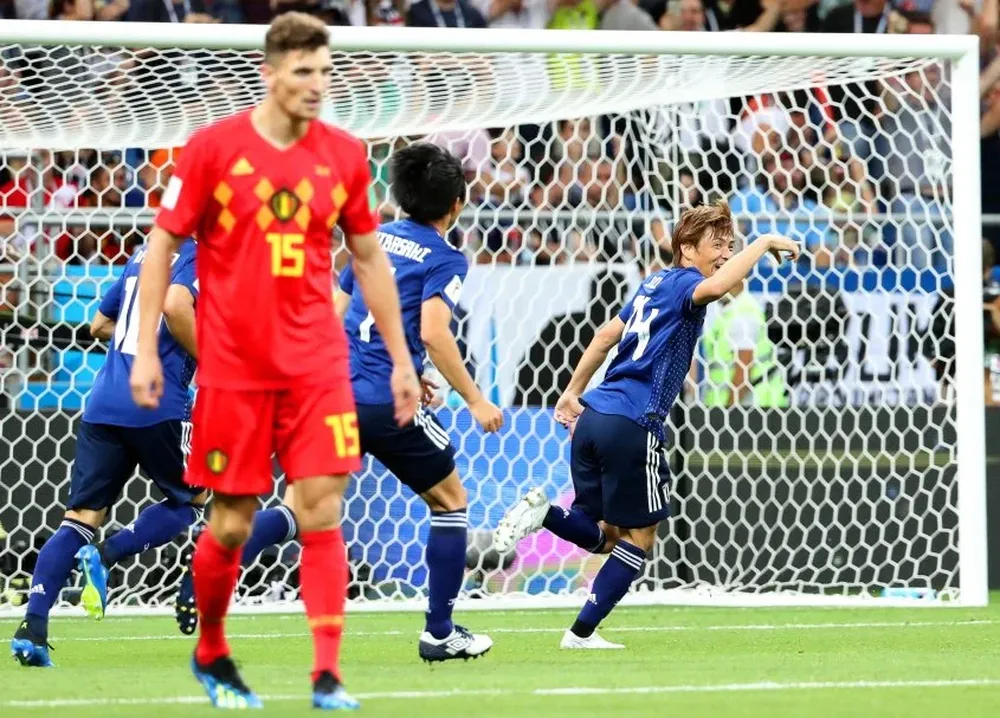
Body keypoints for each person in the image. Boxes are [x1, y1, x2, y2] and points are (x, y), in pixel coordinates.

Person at [129, 12, 419, 711]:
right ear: (269, 73)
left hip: (319, 365)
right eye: (303, 73)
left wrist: (403, 359)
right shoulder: (211, 150)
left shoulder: (345, 155)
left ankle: (326, 674)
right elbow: (162, 246)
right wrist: (145, 347)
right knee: (231, 522)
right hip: (234, 368)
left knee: (321, 510)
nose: (317, 85)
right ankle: (213, 652)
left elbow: (369, 258)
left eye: (324, 71)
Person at [173, 143, 504, 663]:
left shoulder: (376, 241)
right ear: (457, 204)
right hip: (383, 400)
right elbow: (437, 331)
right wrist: (476, 398)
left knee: (300, 508)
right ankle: (440, 632)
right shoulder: (446, 257)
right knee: (449, 501)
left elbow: (336, 315)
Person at [492, 202, 799, 648]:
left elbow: (602, 338)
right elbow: (715, 287)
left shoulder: (651, 284)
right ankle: (579, 634)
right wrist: (765, 242)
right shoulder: (689, 286)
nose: (726, 255)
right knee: (640, 538)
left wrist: (570, 392)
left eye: (730, 246)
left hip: (595, 415)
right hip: (635, 423)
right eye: (718, 246)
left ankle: (546, 515)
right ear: (687, 249)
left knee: (604, 537)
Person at [11, 238, 204, 668]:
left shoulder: (143, 250)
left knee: (79, 518)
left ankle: (33, 628)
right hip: (158, 399)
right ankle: (107, 555)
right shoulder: (200, 255)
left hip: (103, 402)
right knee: (193, 499)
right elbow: (175, 308)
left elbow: (98, 324)